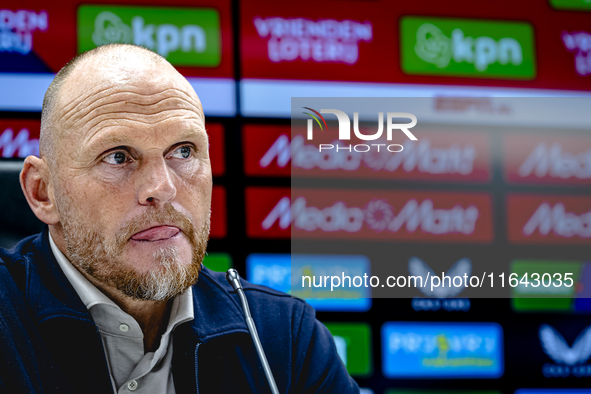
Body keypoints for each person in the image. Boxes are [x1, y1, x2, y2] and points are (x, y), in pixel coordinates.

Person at [0, 43, 359, 393]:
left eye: (183, 151)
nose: (162, 187)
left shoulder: (283, 339)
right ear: (42, 192)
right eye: (118, 157)